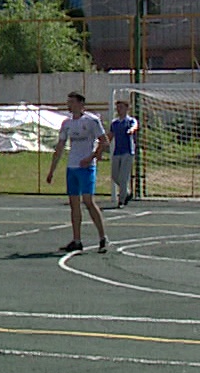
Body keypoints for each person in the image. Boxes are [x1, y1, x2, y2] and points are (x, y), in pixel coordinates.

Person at [44, 90, 109, 254]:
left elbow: (104, 141)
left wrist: (92, 156)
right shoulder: (67, 123)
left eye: (72, 102)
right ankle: (77, 240)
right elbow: (60, 147)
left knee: (88, 201)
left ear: (81, 104)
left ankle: (102, 238)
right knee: (74, 204)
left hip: (86, 167)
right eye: (69, 102)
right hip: (72, 167)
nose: (69, 105)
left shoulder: (92, 121)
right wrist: (52, 170)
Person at [108, 99, 140, 208]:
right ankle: (126, 193)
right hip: (117, 152)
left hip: (128, 152)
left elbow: (135, 126)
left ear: (127, 108)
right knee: (115, 176)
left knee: (123, 177)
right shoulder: (115, 123)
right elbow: (110, 136)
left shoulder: (130, 120)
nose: (119, 109)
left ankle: (121, 200)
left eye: (121, 107)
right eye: (118, 107)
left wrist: (131, 130)